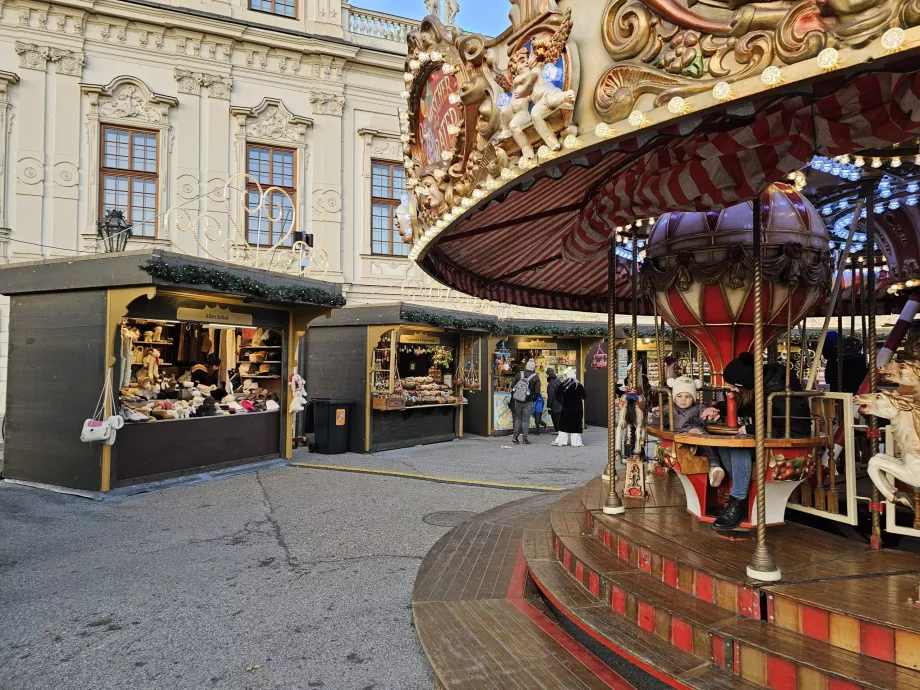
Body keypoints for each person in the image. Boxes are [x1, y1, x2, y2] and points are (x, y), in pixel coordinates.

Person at [710, 352, 811, 531]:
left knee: (739, 446)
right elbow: (749, 406)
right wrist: (720, 408)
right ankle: (741, 495)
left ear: (745, 386)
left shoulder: (778, 395)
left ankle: (738, 502)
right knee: (725, 444)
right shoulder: (763, 388)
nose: (731, 390)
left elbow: (795, 429)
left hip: (786, 444)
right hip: (769, 441)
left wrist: (751, 430)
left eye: (734, 387)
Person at [652, 376, 725, 487]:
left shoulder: (698, 407)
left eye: (688, 396)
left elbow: (703, 415)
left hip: (694, 435)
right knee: (698, 435)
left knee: (703, 438)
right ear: (674, 397)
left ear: (694, 398)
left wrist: (708, 414)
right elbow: (662, 422)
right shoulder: (669, 408)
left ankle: (714, 468)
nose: (683, 399)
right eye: (679, 396)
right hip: (678, 436)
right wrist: (657, 415)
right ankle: (708, 462)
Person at [551, 368, 587, 447]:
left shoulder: (563, 385)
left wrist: (562, 402)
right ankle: (576, 443)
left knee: (564, 425)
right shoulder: (578, 385)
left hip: (566, 409)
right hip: (577, 409)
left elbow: (557, 396)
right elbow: (584, 396)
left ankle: (561, 441)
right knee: (576, 426)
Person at [510, 359, 541, 445]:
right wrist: (533, 399)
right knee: (526, 420)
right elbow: (537, 392)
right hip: (528, 401)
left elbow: (512, 385)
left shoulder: (519, 374)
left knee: (518, 418)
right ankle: (524, 439)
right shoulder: (535, 377)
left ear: (526, 367)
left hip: (518, 400)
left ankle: (515, 437)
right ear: (533, 368)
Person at [545, 367, 563, 434]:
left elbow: (551, 396)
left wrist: (548, 406)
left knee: (555, 418)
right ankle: (560, 431)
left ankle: (558, 431)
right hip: (560, 403)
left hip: (554, 405)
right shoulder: (559, 382)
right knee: (560, 418)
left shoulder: (551, 384)